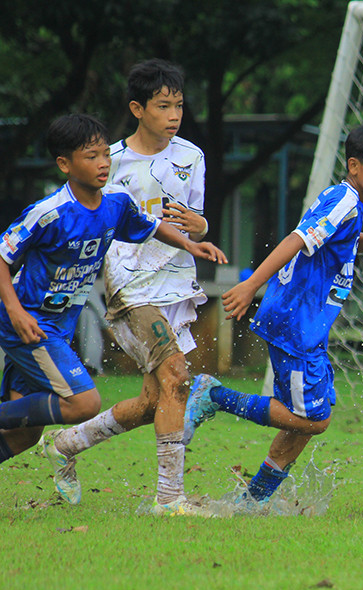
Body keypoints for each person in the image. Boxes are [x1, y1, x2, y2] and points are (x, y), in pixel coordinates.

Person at [182, 122, 363, 505]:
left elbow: (342, 245)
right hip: (297, 320)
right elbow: (296, 240)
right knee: (315, 419)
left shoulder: (347, 202)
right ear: (354, 165)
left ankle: (253, 502)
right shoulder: (345, 200)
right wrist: (251, 285)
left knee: (305, 421)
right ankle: (214, 395)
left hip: (307, 323)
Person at [0, 114, 226, 479]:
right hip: (31, 323)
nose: (103, 163)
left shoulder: (116, 203)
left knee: (24, 433)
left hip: (56, 324)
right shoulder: (48, 212)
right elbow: (2, 256)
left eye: (105, 154)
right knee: (83, 403)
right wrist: (15, 311)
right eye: (91, 157)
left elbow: (150, 227)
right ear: (64, 164)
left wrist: (190, 244)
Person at [40, 60, 214, 516]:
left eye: (178, 105)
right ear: (138, 108)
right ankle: (170, 500)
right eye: (163, 105)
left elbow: (193, 221)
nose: (174, 114)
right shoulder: (108, 160)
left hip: (175, 283)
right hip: (130, 284)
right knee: (178, 377)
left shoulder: (191, 156)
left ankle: (65, 445)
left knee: (153, 400)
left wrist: (201, 226)